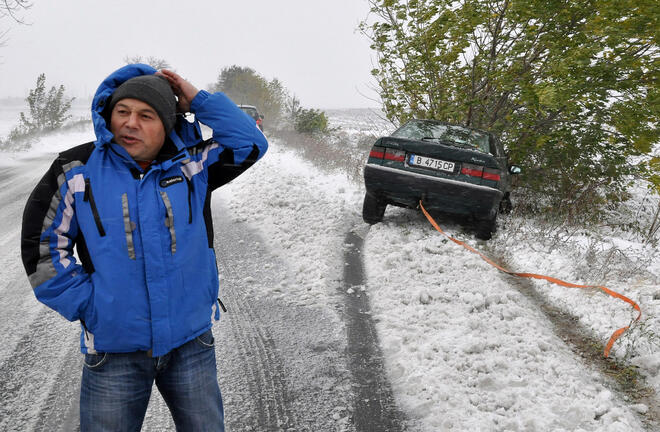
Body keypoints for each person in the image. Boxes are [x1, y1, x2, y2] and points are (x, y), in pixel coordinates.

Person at [20, 63, 268, 431]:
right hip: (114, 349)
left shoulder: (192, 166)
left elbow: (251, 142)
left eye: (146, 115)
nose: (130, 123)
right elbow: (42, 251)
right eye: (122, 112)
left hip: (191, 343)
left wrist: (197, 99)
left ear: (167, 123)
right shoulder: (76, 170)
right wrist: (93, 307)